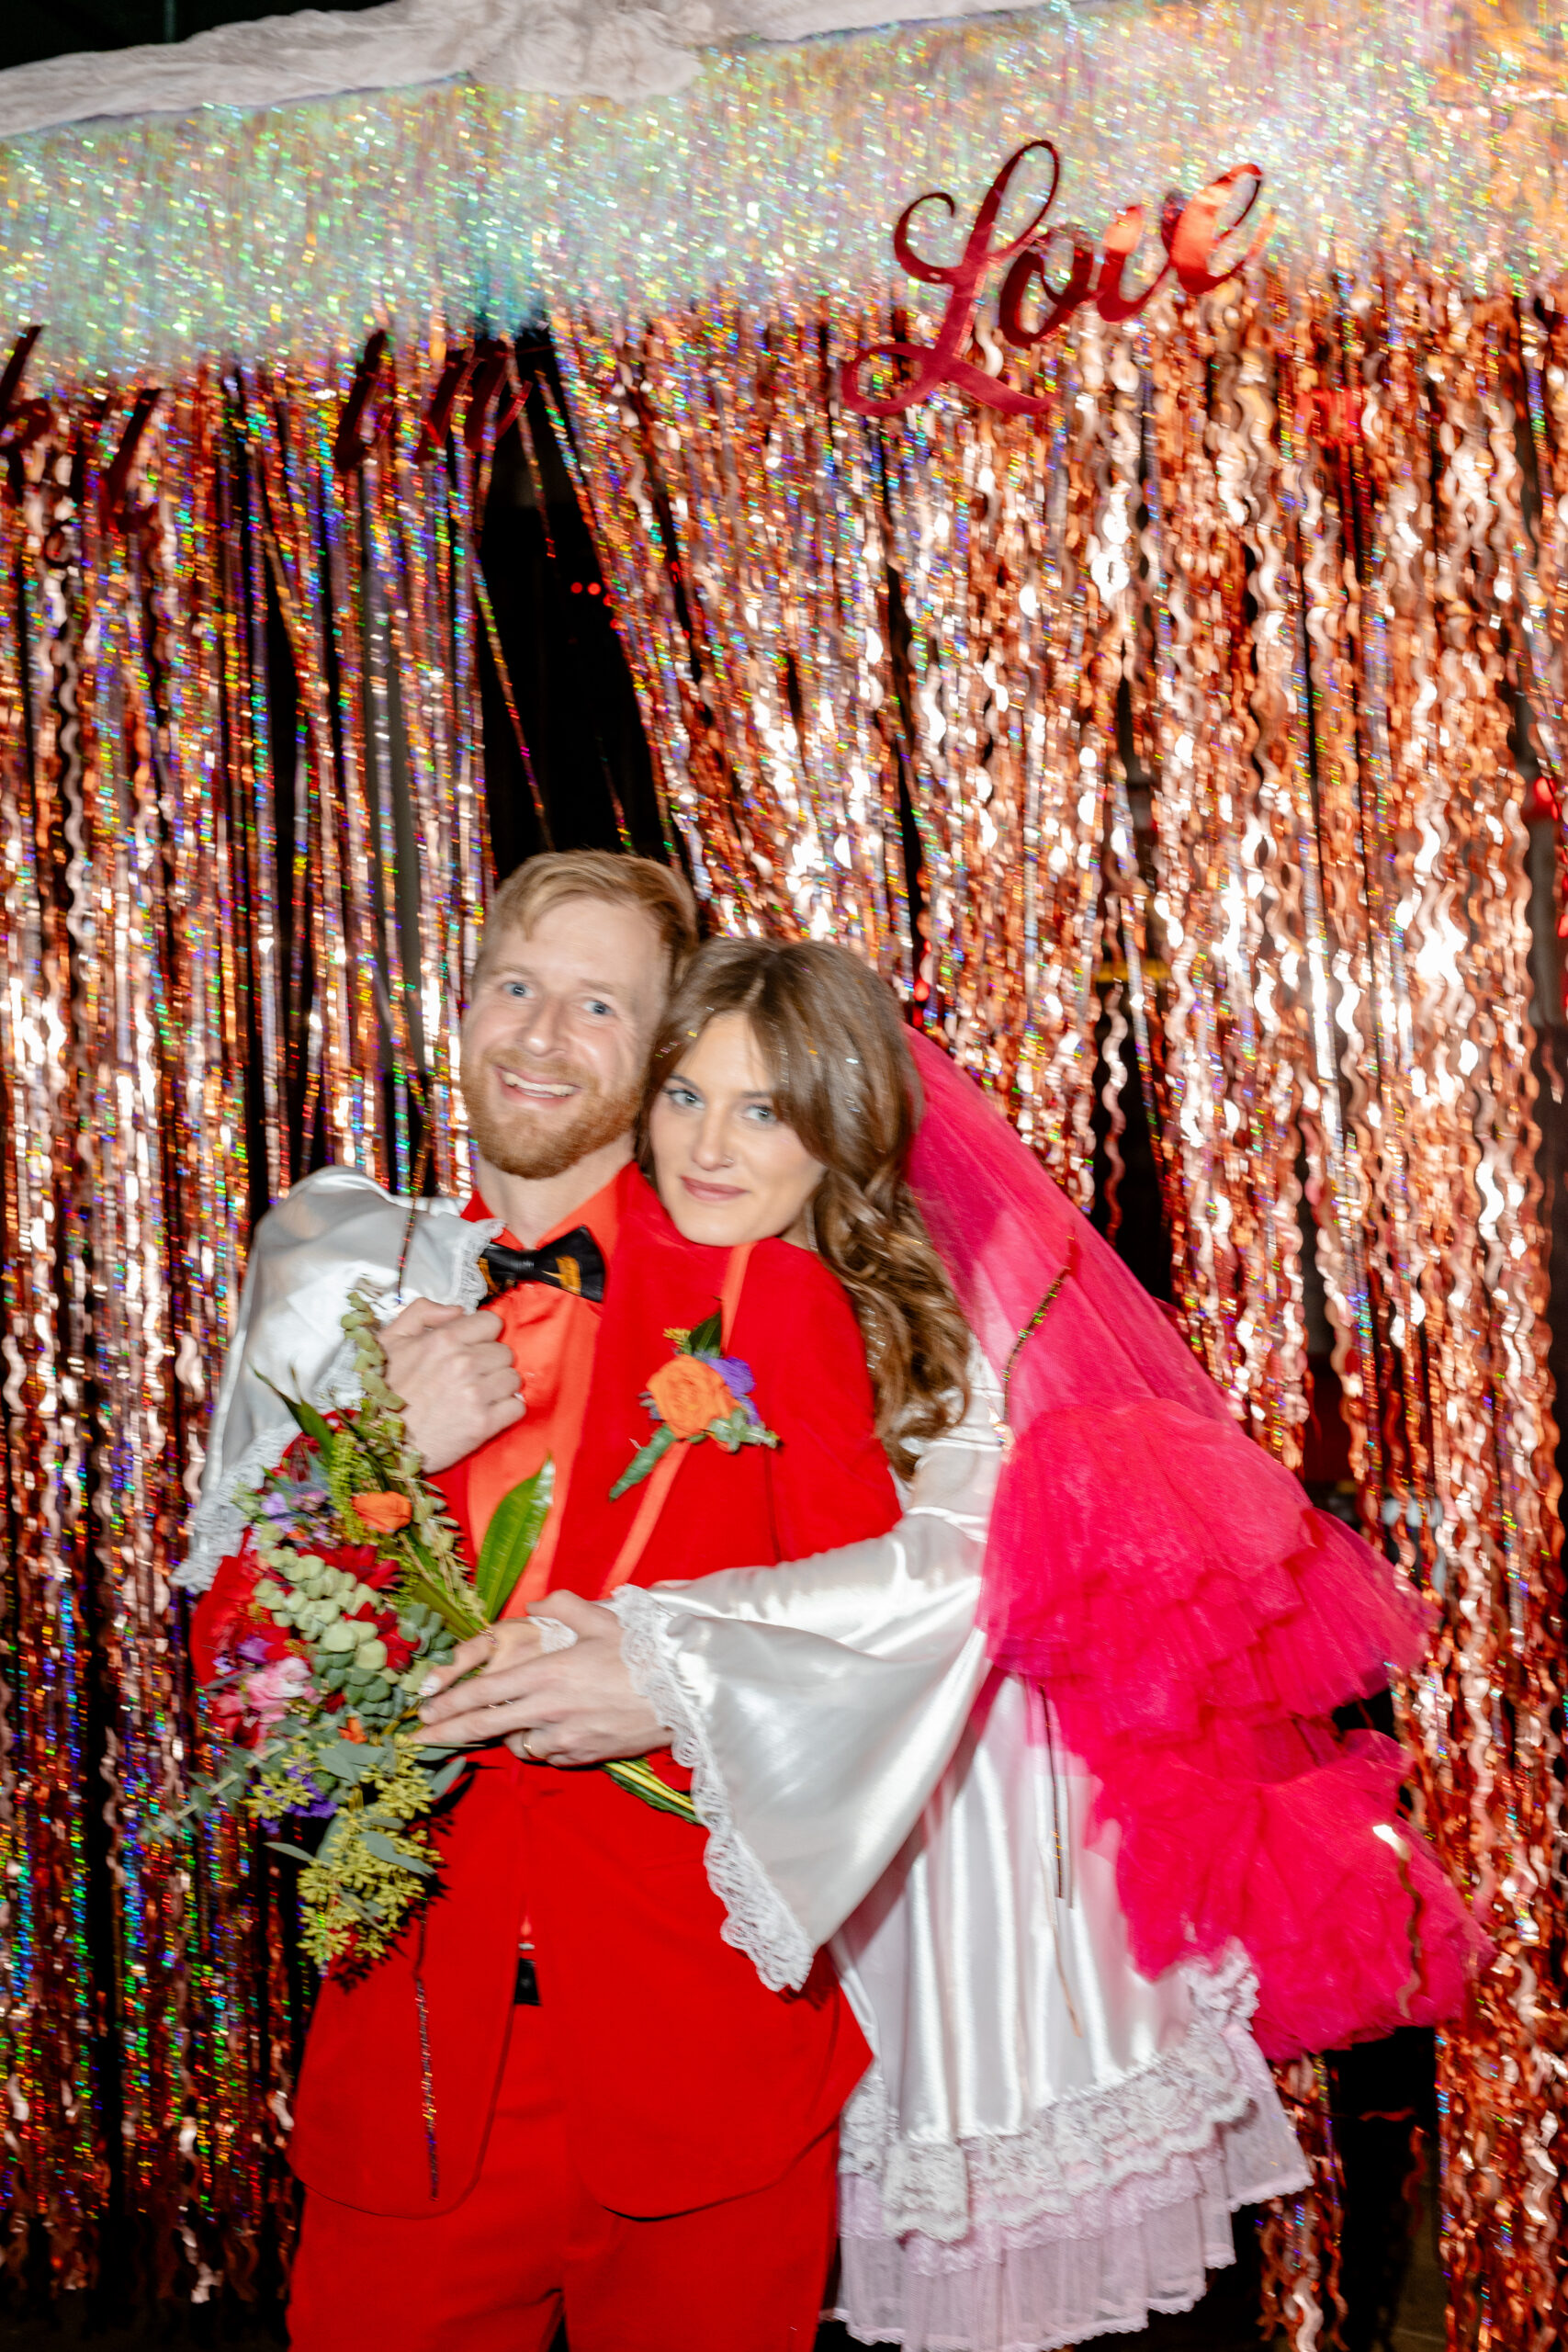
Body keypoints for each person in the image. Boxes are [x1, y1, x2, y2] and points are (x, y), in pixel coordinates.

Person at [183, 855, 1481, 2352]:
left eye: (598, 1006)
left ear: (656, 1036)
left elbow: (915, 1594)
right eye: (516, 988)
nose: (541, 1038)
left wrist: (674, 1670)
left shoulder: (786, 1305)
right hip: (410, 2077)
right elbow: (247, 1681)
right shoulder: (338, 1265)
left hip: (705, 2086)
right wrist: (374, 1460)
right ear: (461, 1003)